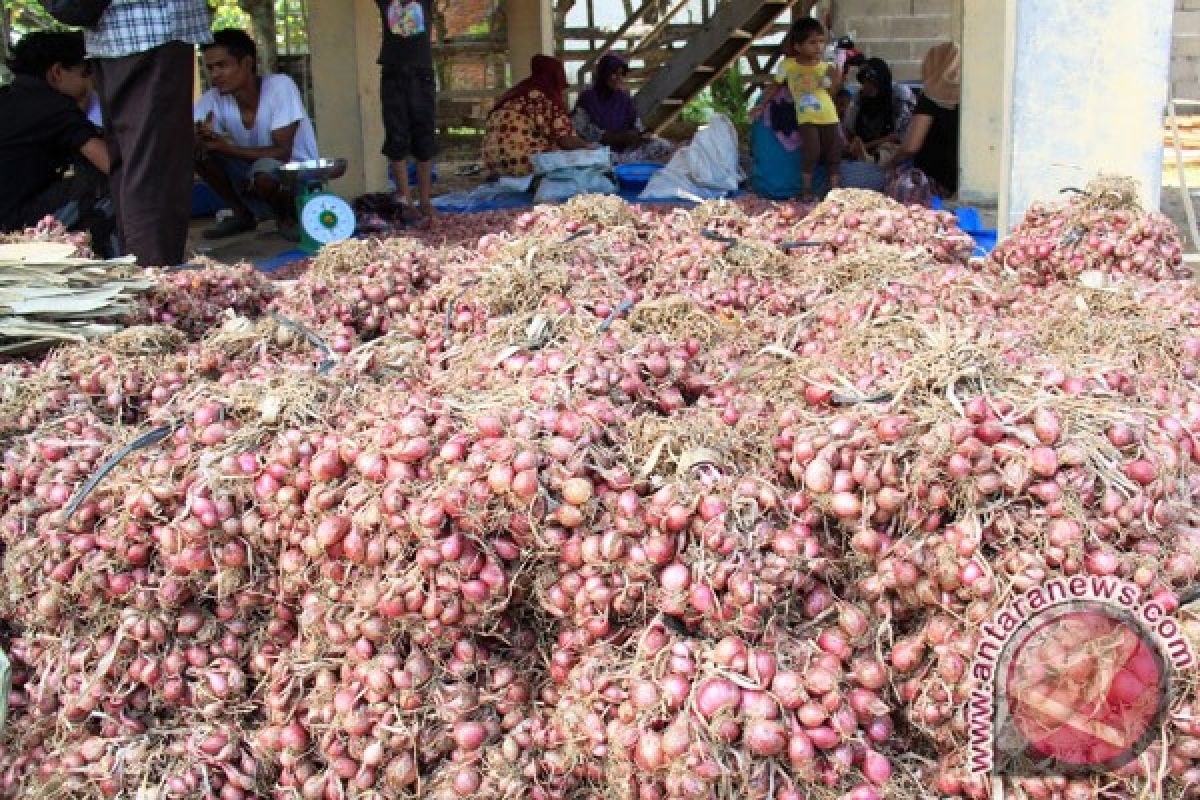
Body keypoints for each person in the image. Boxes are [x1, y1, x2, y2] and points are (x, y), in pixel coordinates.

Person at [86, 0, 211, 267]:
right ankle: (154, 280)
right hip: (151, 29)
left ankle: (140, 274)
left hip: (114, 35)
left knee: (134, 166)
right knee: (154, 171)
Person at [193, 29, 319, 241]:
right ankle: (243, 215)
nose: (215, 75)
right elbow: (191, 136)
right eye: (210, 68)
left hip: (295, 177)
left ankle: (287, 219)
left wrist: (226, 148)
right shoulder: (213, 98)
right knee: (198, 155)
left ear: (247, 63)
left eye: (222, 66)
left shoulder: (279, 86)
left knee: (265, 173)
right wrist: (198, 139)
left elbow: (282, 153)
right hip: (253, 172)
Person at [0, 32, 114, 255]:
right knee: (113, 182)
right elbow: (112, 164)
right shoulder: (54, 107)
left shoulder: (7, 96)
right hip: (12, 223)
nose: (90, 85)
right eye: (85, 74)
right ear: (56, 72)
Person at [754, 17, 842, 201]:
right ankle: (807, 190)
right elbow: (775, 86)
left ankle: (836, 192)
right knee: (812, 152)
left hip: (829, 116)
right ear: (798, 46)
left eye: (821, 42)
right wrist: (760, 105)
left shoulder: (826, 66)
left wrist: (836, 77)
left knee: (833, 153)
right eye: (812, 43)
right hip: (807, 117)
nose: (818, 47)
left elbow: (831, 92)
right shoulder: (788, 66)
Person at [376, 0, 437, 226]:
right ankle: (406, 201)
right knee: (396, 136)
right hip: (393, 74)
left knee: (424, 135)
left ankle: (424, 200)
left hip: (422, 73)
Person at [482, 55, 592, 178]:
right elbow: (566, 140)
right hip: (520, 164)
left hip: (493, 163)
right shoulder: (545, 97)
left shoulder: (515, 93)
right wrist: (591, 149)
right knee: (572, 159)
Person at [885, 42, 961, 205]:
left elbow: (911, 146)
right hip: (956, 181)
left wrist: (891, 162)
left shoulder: (931, 96)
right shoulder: (969, 94)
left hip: (933, 180)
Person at [572, 53, 672, 165]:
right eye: (614, 74)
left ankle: (627, 163)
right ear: (603, 74)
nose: (618, 78)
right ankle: (626, 164)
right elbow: (580, 129)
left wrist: (639, 135)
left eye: (621, 74)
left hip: (626, 149)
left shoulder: (623, 98)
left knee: (663, 145)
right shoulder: (588, 98)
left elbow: (636, 125)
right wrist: (615, 138)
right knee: (595, 154)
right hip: (602, 150)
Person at [844, 58, 915, 164]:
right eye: (864, 82)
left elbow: (899, 136)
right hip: (866, 143)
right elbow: (849, 127)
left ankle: (871, 160)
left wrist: (865, 147)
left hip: (888, 145)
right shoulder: (860, 98)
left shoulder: (898, 95)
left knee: (891, 149)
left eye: (871, 82)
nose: (867, 86)